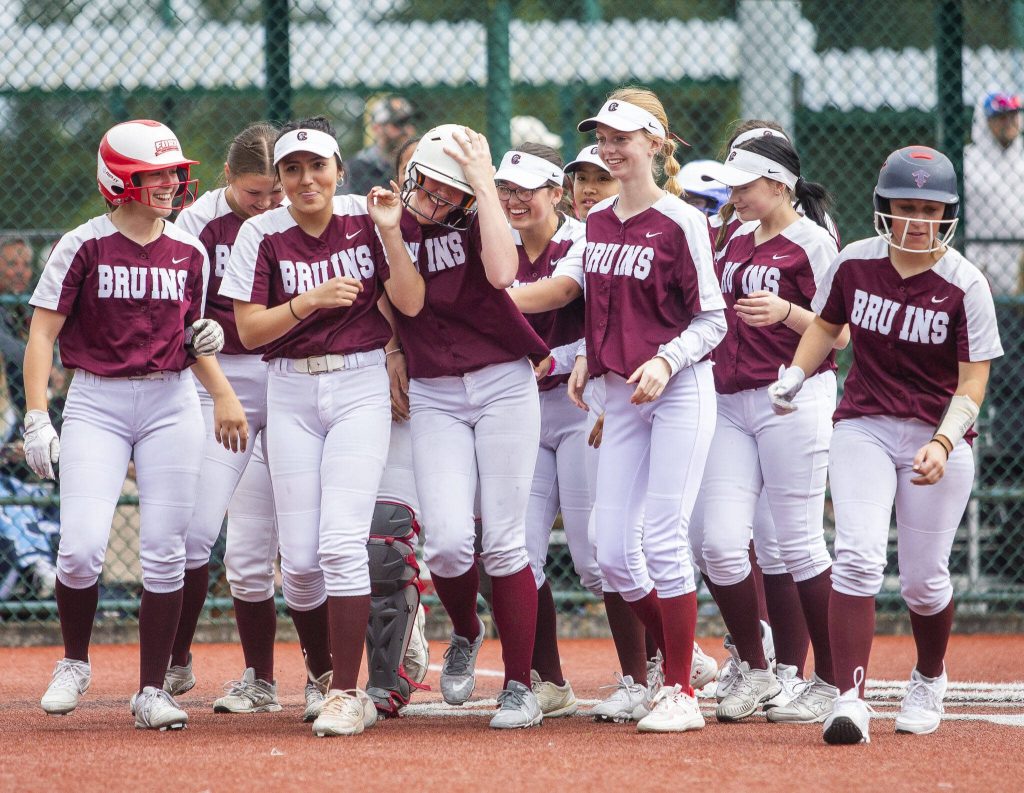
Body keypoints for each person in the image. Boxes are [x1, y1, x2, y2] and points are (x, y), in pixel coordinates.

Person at [768, 145, 1003, 744]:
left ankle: (929, 674)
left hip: (936, 433)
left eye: (931, 208)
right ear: (884, 207)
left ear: (949, 212)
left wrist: (947, 441)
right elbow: (825, 325)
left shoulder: (965, 283)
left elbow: (974, 379)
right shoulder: (854, 263)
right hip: (865, 422)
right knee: (858, 555)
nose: (918, 220)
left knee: (924, 580)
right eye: (906, 206)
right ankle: (849, 698)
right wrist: (795, 373)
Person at [24, 119, 242, 731]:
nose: (172, 182)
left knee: (165, 552)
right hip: (98, 400)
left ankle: (151, 688)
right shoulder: (81, 245)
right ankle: (74, 660)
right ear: (120, 180)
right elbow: (42, 332)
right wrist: (37, 415)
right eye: (156, 173)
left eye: (174, 171)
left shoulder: (190, 252)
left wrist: (210, 350)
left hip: (171, 400)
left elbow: (192, 337)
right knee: (81, 548)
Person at [221, 115, 423, 737]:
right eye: (292, 169)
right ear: (280, 179)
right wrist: (308, 301)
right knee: (302, 562)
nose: (307, 179)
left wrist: (390, 236)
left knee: (339, 543)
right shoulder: (262, 231)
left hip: (360, 382)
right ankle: (321, 670)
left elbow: (410, 302)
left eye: (317, 166)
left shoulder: (368, 215)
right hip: (290, 389)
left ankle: (344, 691)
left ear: (338, 169)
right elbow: (250, 330)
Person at [567, 87, 726, 733]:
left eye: (622, 138)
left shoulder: (682, 220)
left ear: (655, 144)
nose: (609, 148)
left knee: (662, 536)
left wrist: (666, 359)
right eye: (603, 138)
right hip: (622, 395)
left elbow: (712, 317)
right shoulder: (598, 219)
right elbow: (597, 303)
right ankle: (686, 659)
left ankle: (681, 688)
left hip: (679, 387)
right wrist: (587, 354)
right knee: (610, 552)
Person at [394, 123, 549, 730]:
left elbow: (504, 270)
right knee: (448, 542)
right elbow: (391, 304)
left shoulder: (481, 213)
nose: (429, 199)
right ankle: (465, 629)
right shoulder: (395, 222)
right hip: (434, 387)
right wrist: (390, 355)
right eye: (424, 186)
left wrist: (483, 182)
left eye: (443, 192)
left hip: (502, 383)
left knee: (506, 541)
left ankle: (519, 686)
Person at [690, 133, 843, 724]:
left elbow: (842, 333)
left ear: (778, 185)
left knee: (799, 542)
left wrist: (788, 313)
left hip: (792, 396)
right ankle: (756, 668)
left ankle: (830, 678)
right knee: (721, 544)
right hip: (730, 400)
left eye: (745, 186)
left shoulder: (813, 241)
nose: (735, 196)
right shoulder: (733, 237)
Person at [162, 122, 291, 715]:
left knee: (268, 544)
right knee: (193, 532)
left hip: (289, 376)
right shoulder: (196, 223)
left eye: (275, 192)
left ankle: (284, 678)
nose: (266, 204)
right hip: (218, 380)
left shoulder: (301, 212)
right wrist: (212, 374)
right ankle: (176, 657)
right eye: (253, 193)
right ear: (226, 179)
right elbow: (180, 309)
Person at [496, 142, 596, 719]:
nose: (513, 200)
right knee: (515, 552)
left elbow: (580, 308)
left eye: (526, 190)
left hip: (579, 408)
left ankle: (658, 662)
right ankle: (545, 681)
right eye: (505, 190)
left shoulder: (581, 241)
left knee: (596, 560)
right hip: (520, 412)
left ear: (555, 194)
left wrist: (553, 358)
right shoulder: (498, 243)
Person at [964, 91, 1024, 295]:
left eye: (1013, 115)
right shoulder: (967, 163)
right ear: (984, 121)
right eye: (1000, 117)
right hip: (980, 273)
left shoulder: (1022, 163)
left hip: (1019, 276)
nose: (1008, 122)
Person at [345, 95, 418, 195]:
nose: (407, 130)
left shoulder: (420, 164)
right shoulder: (355, 168)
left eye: (411, 123)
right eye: (398, 123)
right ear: (377, 128)